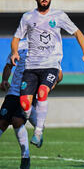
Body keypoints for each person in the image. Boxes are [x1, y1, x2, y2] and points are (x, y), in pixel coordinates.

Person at [11, 0, 84, 148]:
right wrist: (14, 52)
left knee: (42, 92)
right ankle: (39, 123)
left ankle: (38, 131)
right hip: (31, 66)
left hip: (51, 64)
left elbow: (77, 33)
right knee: (25, 104)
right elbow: (16, 37)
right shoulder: (27, 17)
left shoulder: (59, 16)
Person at [0, 40, 63, 169]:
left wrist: (47, 87)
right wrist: (5, 80)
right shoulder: (18, 45)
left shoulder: (47, 46)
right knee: (2, 123)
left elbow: (58, 73)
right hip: (13, 92)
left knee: (17, 120)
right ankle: (39, 126)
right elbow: (8, 65)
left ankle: (25, 158)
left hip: (30, 92)